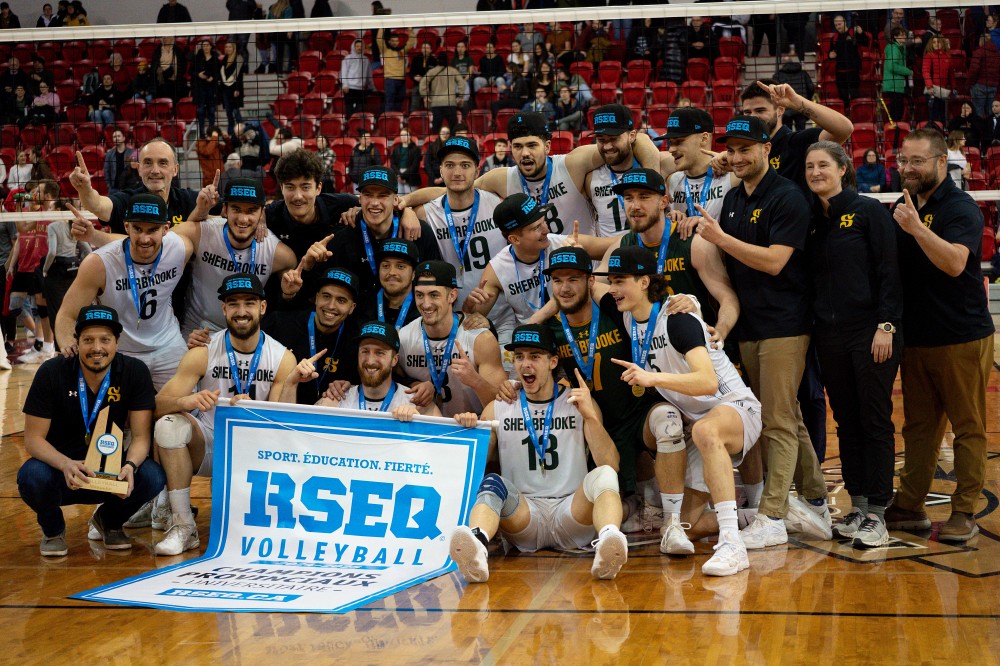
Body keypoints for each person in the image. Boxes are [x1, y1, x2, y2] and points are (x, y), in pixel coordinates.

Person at [696, 117, 831, 549]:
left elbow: (775, 261)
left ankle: (773, 514)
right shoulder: (733, 198)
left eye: (745, 149)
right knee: (785, 416)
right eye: (730, 150)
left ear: (766, 150)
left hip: (785, 326)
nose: (736, 157)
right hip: (750, 327)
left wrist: (720, 238)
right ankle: (816, 500)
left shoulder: (789, 197)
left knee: (776, 421)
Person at [596, 246, 763, 575]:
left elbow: (708, 382)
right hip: (699, 421)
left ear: (644, 282)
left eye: (620, 281)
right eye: (611, 281)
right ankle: (752, 518)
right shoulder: (628, 314)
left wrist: (651, 377)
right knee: (685, 526)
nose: (613, 288)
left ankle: (732, 544)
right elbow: (593, 285)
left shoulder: (678, 319)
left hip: (733, 405)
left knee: (705, 430)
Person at [449, 323, 629, 582]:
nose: (525, 364)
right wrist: (469, 429)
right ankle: (476, 546)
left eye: (534, 356)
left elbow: (611, 464)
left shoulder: (577, 403)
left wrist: (589, 416)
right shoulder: (499, 406)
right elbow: (476, 463)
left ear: (553, 361)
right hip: (524, 516)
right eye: (519, 357)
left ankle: (609, 540)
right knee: (492, 483)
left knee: (604, 475)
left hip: (571, 512)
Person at [886, 128, 996, 541]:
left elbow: (954, 263)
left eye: (916, 161)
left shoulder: (961, 208)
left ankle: (965, 511)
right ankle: (909, 504)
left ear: (939, 163)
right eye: (902, 160)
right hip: (916, 339)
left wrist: (916, 228)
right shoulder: (904, 204)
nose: (907, 168)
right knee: (918, 428)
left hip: (960, 336)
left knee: (967, 427)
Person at [152, 273, 298, 555]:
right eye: (233, 303)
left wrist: (253, 412)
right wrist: (187, 399)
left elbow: (281, 425)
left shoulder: (282, 358)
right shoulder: (203, 353)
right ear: (224, 309)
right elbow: (158, 404)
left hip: (257, 450)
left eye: (249, 303)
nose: (241, 311)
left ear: (263, 308)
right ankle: (184, 526)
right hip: (209, 443)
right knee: (168, 425)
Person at [805, 141, 902, 549]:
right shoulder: (814, 220)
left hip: (871, 331)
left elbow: (890, 273)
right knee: (846, 421)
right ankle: (859, 505)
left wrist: (887, 326)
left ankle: (878, 511)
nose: (815, 172)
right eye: (809, 166)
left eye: (823, 165)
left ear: (844, 168)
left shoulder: (869, 212)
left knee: (874, 419)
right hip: (830, 335)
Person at [18, 305, 166, 556]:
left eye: (105, 340)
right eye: (88, 340)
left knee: (152, 476)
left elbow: (141, 437)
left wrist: (129, 466)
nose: (97, 348)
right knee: (31, 475)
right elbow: (32, 440)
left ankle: (110, 521)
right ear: (77, 343)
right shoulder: (52, 372)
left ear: (117, 343)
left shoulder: (134, 371)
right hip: (62, 473)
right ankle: (53, 529)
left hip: (112, 475)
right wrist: (65, 464)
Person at [55, 194, 192, 390]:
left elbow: (208, 225)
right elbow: (67, 314)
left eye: (153, 230)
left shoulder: (181, 248)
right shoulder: (99, 264)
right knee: (134, 418)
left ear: (166, 229)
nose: (144, 239)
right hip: (123, 353)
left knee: (184, 412)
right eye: (137, 229)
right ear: (127, 227)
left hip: (169, 346)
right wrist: (68, 342)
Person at [173, 178, 299, 341]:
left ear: (262, 213)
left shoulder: (279, 255)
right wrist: (200, 211)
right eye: (236, 209)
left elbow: (288, 294)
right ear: (225, 209)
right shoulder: (203, 233)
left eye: (251, 211)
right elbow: (160, 240)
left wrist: (288, 294)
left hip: (246, 336)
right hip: (198, 334)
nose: (243, 219)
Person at [397, 260, 506, 417]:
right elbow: (392, 383)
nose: (426, 304)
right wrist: (414, 383)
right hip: (426, 431)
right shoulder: (404, 338)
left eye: (434, 295)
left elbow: (502, 406)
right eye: (419, 295)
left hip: (470, 427)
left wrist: (475, 380)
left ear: (452, 295)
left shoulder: (480, 339)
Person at [411, 137, 506, 308]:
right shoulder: (424, 213)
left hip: (501, 312)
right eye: (449, 165)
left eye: (465, 165)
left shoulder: (498, 205)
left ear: (477, 171)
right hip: (451, 316)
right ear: (440, 171)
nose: (457, 173)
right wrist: (405, 211)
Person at [265, 267, 361, 405]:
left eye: (341, 300)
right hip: (279, 412)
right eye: (326, 296)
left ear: (352, 308)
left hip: (327, 419)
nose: (331, 306)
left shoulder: (356, 343)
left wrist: (349, 386)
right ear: (316, 298)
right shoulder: (280, 324)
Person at [70, 138, 207, 233]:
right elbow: (98, 205)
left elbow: (225, 212)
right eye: (148, 163)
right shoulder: (126, 200)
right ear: (139, 169)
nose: (155, 170)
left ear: (175, 169)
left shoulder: (189, 200)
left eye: (162, 163)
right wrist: (86, 190)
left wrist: (210, 198)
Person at [319, 320, 440, 420]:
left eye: (379, 353)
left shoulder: (418, 403)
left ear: (395, 360)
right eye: (365, 351)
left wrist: (417, 425)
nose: (370, 361)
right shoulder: (335, 400)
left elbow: (442, 444)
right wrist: (298, 382)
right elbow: (302, 438)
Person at [8, 181, 56, 363]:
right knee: (28, 307)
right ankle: (43, 345)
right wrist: (19, 207)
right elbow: (21, 230)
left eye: (39, 191)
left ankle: (47, 347)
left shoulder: (56, 214)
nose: (34, 194)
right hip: (32, 267)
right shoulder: (36, 213)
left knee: (44, 310)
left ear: (49, 196)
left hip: (47, 267)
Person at [585, 104, 647, 238]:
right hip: (610, 255)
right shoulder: (590, 179)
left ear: (631, 136)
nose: (607, 146)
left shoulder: (652, 167)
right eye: (601, 139)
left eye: (614, 139)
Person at [42, 202, 91, 328]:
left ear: (58, 210)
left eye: (52, 207)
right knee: (74, 308)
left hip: (58, 269)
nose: (49, 210)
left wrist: (45, 270)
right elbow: (88, 250)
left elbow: (52, 252)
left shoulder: (53, 226)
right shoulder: (73, 226)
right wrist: (82, 264)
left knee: (57, 310)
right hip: (74, 267)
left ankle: (60, 344)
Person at [358, 238, 420, 328]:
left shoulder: (424, 309)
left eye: (400, 266)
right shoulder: (363, 306)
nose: (392, 272)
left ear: (413, 274)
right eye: (386, 266)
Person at [829, 15, 870, 107]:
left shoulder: (853, 33)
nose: (838, 27)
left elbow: (866, 42)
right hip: (840, 72)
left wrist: (861, 33)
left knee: (855, 95)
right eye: (836, 25)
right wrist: (830, 55)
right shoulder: (834, 38)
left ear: (844, 22)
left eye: (839, 24)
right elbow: (830, 53)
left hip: (853, 71)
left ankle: (857, 116)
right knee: (843, 97)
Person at [419, 59, 465, 135]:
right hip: (450, 103)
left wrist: (425, 95)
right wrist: (460, 95)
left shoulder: (432, 71)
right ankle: (453, 144)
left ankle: (437, 145)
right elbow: (462, 83)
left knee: (436, 128)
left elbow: (423, 83)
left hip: (436, 104)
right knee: (453, 128)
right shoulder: (453, 71)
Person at [881, 27, 912, 123]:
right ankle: (895, 130)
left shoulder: (899, 48)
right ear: (895, 37)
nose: (904, 37)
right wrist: (908, 71)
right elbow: (892, 66)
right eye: (901, 35)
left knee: (898, 109)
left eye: (905, 35)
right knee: (896, 111)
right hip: (893, 85)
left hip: (896, 85)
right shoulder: (893, 49)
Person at [377, 28, 411, 114]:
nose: (395, 42)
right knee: (389, 101)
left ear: (399, 42)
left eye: (396, 41)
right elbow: (379, 39)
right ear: (389, 42)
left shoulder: (402, 51)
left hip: (401, 80)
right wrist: (382, 27)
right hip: (390, 80)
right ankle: (388, 121)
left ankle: (397, 120)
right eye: (393, 41)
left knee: (399, 102)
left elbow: (411, 43)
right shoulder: (385, 51)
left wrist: (410, 30)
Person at [191, 39, 221, 138]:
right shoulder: (197, 58)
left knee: (212, 110)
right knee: (200, 111)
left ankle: (212, 132)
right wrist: (198, 74)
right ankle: (202, 133)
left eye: (207, 45)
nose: (205, 47)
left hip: (212, 88)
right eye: (204, 45)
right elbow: (191, 72)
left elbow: (218, 73)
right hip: (200, 88)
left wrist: (213, 77)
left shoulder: (215, 58)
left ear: (211, 46)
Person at [923, 35, 953, 127]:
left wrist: (953, 87)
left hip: (943, 91)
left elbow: (951, 74)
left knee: (943, 116)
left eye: (938, 42)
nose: (936, 44)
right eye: (934, 42)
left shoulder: (947, 56)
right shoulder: (929, 56)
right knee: (934, 117)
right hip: (933, 90)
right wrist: (929, 86)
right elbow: (925, 71)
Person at [341, 39, 375, 118]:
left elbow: (369, 75)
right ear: (354, 47)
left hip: (361, 89)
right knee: (350, 112)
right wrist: (345, 85)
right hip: (350, 89)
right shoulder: (347, 58)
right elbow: (344, 72)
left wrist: (372, 87)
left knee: (360, 112)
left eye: (361, 46)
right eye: (357, 46)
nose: (359, 48)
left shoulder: (366, 60)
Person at [219, 43, 246, 138]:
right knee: (228, 111)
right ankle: (231, 130)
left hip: (235, 89)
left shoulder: (238, 59)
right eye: (226, 47)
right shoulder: (224, 59)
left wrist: (237, 89)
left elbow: (239, 77)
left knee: (235, 110)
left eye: (230, 47)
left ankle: (242, 129)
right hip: (225, 89)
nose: (228, 48)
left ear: (234, 48)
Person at [151, 36, 187, 104]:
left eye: (168, 38)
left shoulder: (178, 50)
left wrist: (179, 74)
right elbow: (153, 66)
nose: (166, 39)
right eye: (164, 38)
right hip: (163, 82)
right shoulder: (158, 51)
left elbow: (183, 64)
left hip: (176, 81)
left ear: (172, 39)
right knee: (165, 102)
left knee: (176, 101)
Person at [103, 130, 136, 196]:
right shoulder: (109, 154)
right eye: (114, 137)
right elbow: (106, 171)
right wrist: (109, 185)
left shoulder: (132, 152)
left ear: (124, 138)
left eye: (118, 136)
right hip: (114, 189)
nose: (116, 138)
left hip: (129, 188)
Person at [408, 42, 437, 113]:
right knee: (414, 106)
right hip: (418, 85)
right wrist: (415, 77)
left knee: (432, 107)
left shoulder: (434, 61)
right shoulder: (416, 59)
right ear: (421, 49)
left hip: (430, 87)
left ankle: (432, 121)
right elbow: (411, 73)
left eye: (427, 48)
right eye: (424, 48)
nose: (425, 50)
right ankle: (413, 120)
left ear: (431, 50)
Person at [390, 129, 421, 195]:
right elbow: (393, 163)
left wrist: (403, 176)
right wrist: (398, 175)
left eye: (405, 135)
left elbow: (415, 166)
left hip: (411, 178)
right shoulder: (396, 149)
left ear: (410, 136)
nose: (403, 137)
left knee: (411, 200)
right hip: (398, 177)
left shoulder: (416, 149)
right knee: (399, 199)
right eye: (401, 135)